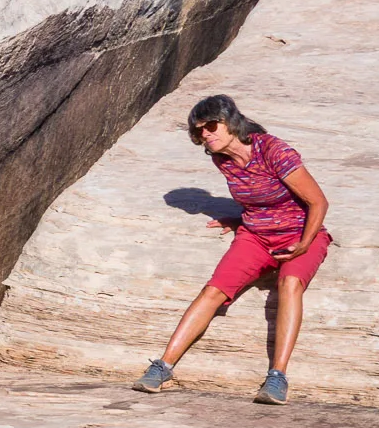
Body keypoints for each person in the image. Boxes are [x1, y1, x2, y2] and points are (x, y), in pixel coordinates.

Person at [133, 93, 331, 403]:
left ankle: (277, 378)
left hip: (301, 233)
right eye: (198, 131)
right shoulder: (221, 159)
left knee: (289, 284)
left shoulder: (274, 151)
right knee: (214, 291)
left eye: (210, 127)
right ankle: (162, 367)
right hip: (256, 236)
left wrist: (304, 243)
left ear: (229, 123)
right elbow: (255, 195)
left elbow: (318, 201)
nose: (205, 135)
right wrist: (239, 219)